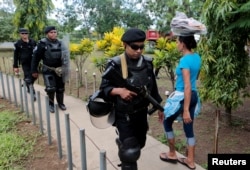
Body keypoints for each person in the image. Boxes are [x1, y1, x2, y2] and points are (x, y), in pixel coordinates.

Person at [100, 28, 163, 170]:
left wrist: (159, 107)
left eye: (142, 47)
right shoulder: (115, 64)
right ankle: (126, 153)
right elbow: (103, 89)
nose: (139, 50)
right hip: (124, 115)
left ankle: (122, 145)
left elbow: (152, 86)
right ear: (124, 45)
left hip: (141, 114)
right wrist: (119, 91)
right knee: (130, 153)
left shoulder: (147, 63)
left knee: (139, 144)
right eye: (134, 47)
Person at [158, 35, 201, 170]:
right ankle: (190, 160)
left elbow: (187, 86)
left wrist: (186, 109)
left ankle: (172, 154)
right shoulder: (197, 57)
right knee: (189, 127)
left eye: (177, 42)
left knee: (166, 120)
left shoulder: (184, 61)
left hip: (183, 96)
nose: (176, 44)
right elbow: (194, 79)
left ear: (183, 44)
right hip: (194, 96)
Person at [31, 26, 70, 113]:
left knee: (60, 88)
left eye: (55, 32)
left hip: (59, 70)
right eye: (51, 32)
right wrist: (34, 70)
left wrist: (66, 69)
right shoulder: (42, 44)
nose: (53, 34)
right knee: (51, 88)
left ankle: (61, 103)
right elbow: (35, 58)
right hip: (48, 70)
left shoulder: (61, 43)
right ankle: (51, 105)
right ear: (47, 34)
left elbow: (66, 57)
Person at [13, 28, 37, 100]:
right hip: (25, 63)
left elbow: (37, 52)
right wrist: (15, 66)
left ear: (28, 34)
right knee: (29, 78)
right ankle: (32, 93)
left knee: (34, 76)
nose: (24, 35)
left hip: (33, 63)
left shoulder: (33, 42)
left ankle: (27, 82)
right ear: (20, 34)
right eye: (22, 33)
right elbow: (15, 56)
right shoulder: (17, 44)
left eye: (26, 33)